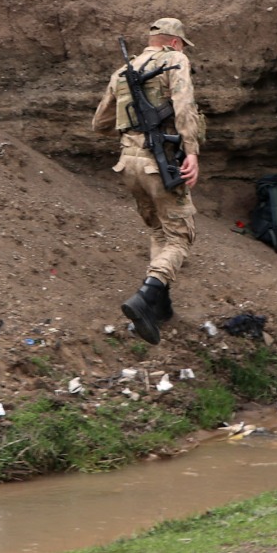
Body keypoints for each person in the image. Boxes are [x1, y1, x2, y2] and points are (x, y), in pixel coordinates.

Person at [93, 18, 204, 345]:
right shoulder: (176, 60)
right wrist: (192, 151)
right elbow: (184, 106)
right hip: (160, 165)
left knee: (159, 230)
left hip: (128, 165)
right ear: (175, 43)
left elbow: (100, 122)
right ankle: (145, 296)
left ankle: (159, 306)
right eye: (183, 46)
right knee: (181, 237)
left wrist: (134, 122)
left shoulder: (121, 73)